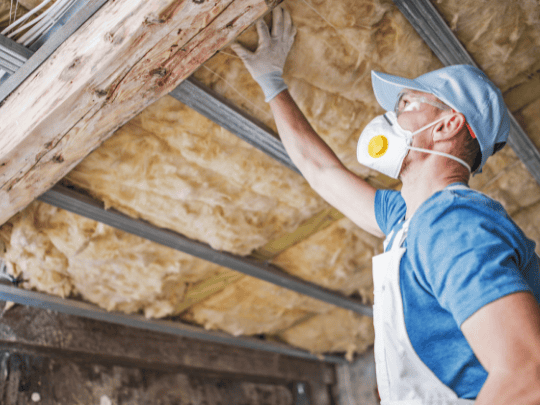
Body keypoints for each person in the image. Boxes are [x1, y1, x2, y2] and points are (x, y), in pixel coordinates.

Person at [232, 7, 540, 404]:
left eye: (408, 104)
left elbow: (527, 374)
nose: (389, 116)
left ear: (448, 125)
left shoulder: (451, 222)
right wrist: (272, 84)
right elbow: (321, 171)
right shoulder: (409, 222)